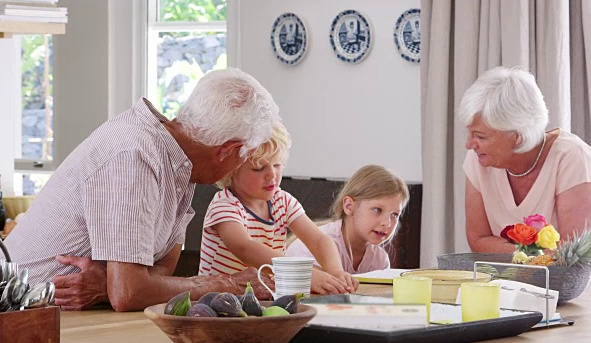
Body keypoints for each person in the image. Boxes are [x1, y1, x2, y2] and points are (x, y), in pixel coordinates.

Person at [2, 68, 282, 311]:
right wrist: (228, 284)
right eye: (246, 156)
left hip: (74, 315)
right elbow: (130, 293)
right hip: (20, 316)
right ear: (227, 150)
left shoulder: (182, 162)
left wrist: (113, 285)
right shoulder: (134, 153)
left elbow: (159, 270)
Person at [461, 66, 591, 267]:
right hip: (533, 279)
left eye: (480, 136)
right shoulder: (479, 159)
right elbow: (478, 241)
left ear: (517, 137)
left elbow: (572, 255)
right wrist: (534, 255)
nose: (469, 144)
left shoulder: (575, 159)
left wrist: (512, 253)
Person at [199, 123, 358, 294]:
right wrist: (302, 274)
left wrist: (335, 271)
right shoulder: (224, 205)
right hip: (217, 303)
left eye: (277, 165)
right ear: (230, 171)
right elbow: (245, 247)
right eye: (259, 168)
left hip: (263, 296)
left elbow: (319, 240)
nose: (272, 175)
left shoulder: (282, 201)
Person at [287, 165, 409, 274]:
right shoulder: (311, 248)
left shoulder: (380, 260)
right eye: (377, 210)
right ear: (349, 206)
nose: (386, 223)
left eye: (394, 215)